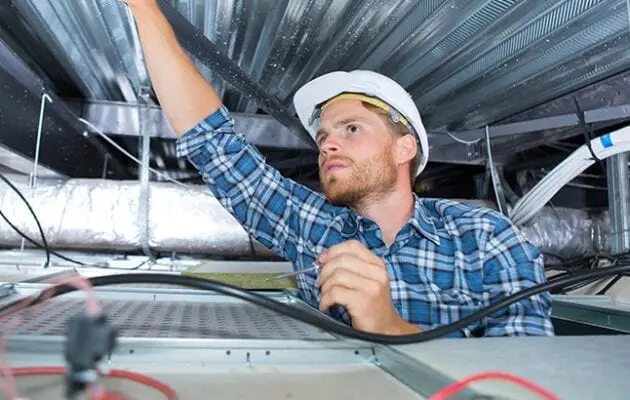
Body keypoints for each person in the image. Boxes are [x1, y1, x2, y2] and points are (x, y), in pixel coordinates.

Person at [123, 0, 554, 337]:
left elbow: (527, 372)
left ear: (405, 148)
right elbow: (215, 144)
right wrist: (143, 8)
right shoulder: (315, 228)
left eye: (351, 128)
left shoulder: (485, 237)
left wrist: (391, 327)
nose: (327, 143)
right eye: (324, 135)